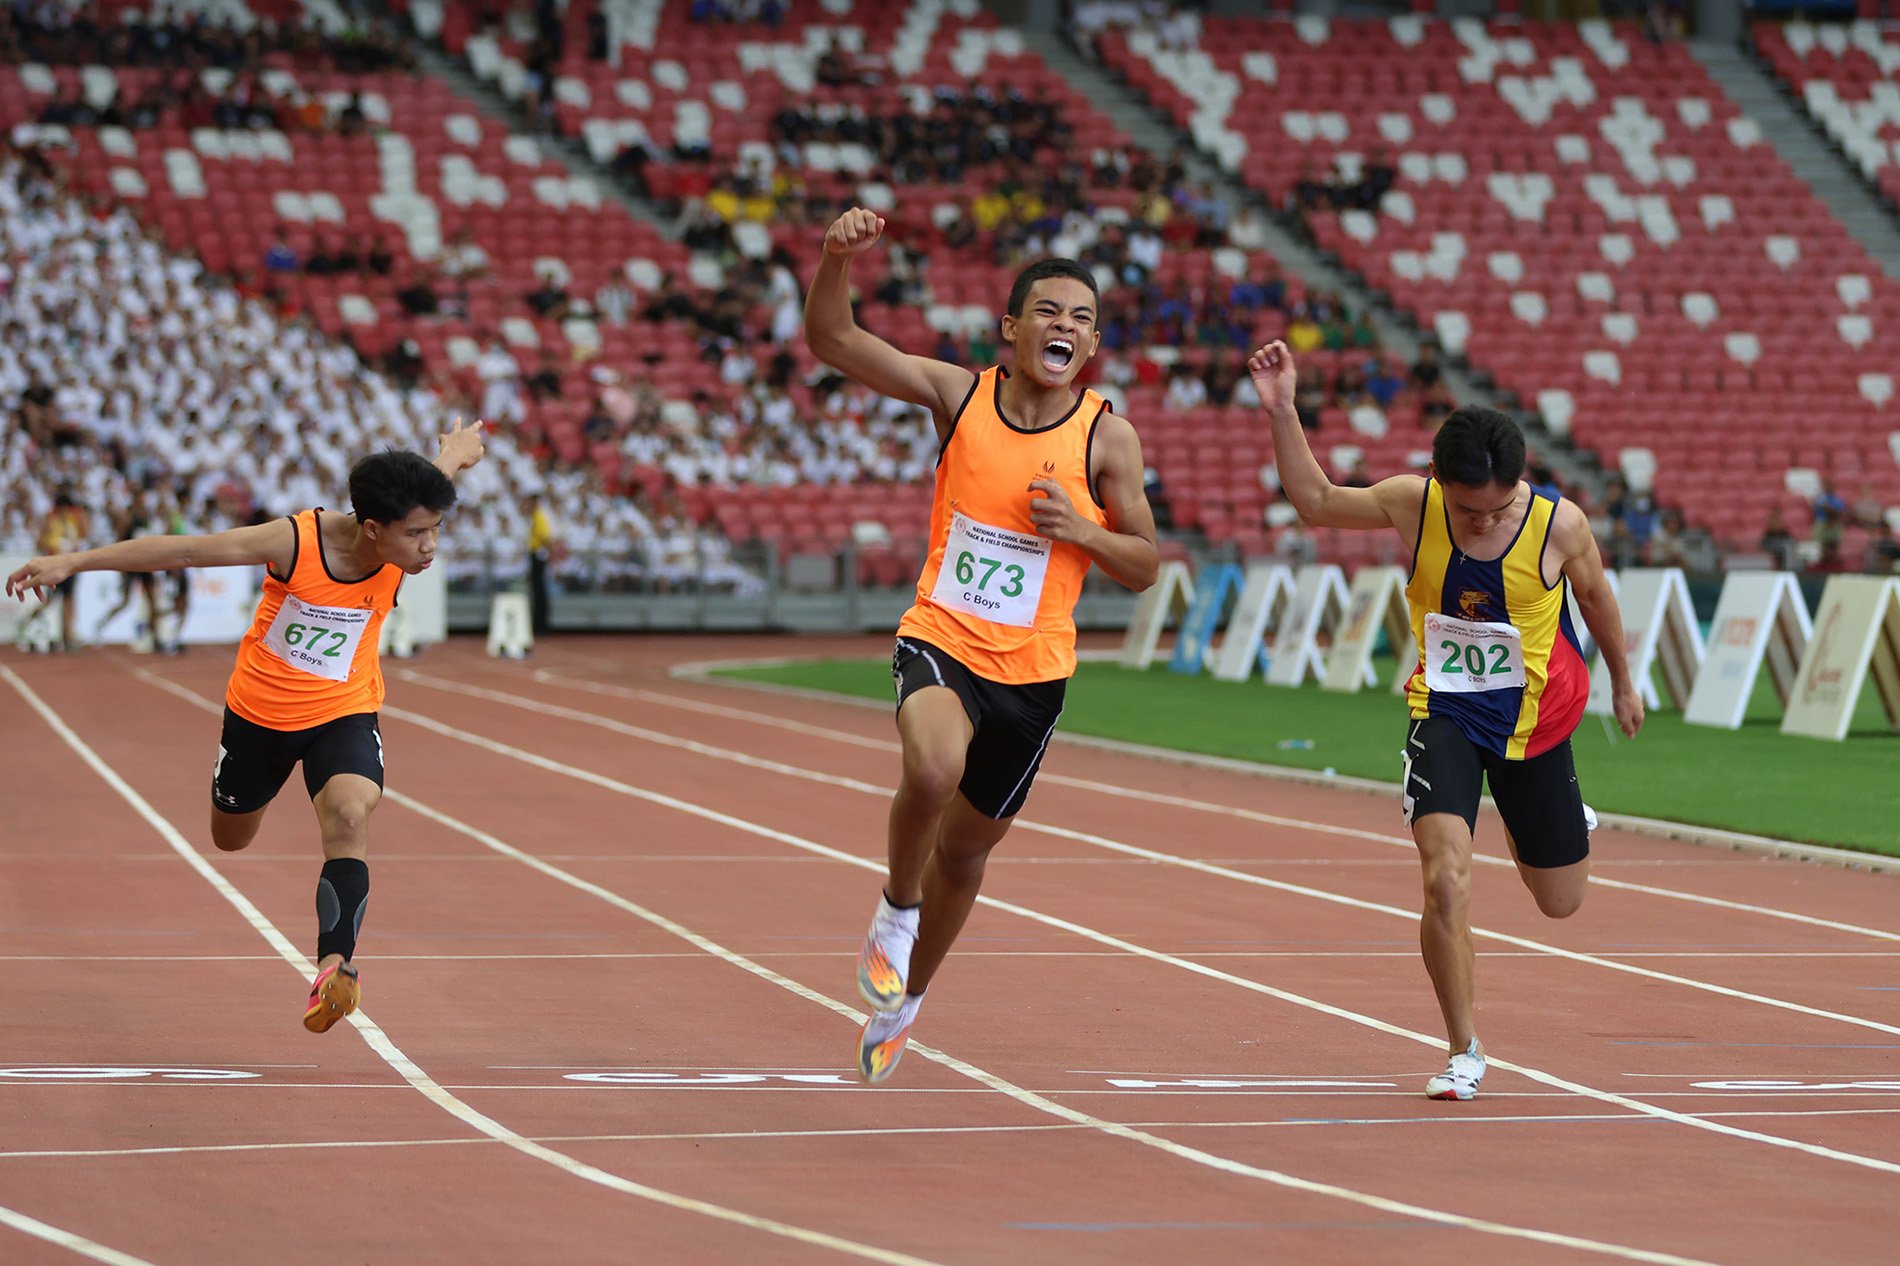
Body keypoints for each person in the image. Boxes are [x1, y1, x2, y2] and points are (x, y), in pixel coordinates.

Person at [805, 207, 1160, 1084]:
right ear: (1010, 327)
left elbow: (1146, 564)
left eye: (1082, 318)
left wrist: (1083, 526)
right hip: (942, 634)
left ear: (1094, 344)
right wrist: (833, 261)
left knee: (964, 853)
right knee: (929, 768)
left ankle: (906, 1003)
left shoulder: (1107, 437)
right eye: (1049, 311)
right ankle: (894, 908)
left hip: (1034, 675)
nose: (1065, 327)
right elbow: (835, 341)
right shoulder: (959, 395)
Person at [1247, 340, 1642, 1102]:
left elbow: (1596, 599)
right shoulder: (1413, 503)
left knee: (1561, 902)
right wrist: (1284, 412)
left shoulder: (1561, 527)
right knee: (1446, 880)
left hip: (1537, 721)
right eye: (1470, 510)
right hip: (1446, 712)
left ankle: (1560, 818)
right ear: (1441, 486)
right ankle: (1463, 1048)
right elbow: (1319, 501)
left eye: (1499, 507)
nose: (1486, 521)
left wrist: (1624, 685)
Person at [7, 420, 487, 1033]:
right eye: (418, 534)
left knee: (349, 814)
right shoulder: (296, 543)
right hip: (259, 715)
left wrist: (451, 454)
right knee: (229, 838)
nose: (429, 547)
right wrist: (72, 561)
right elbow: (186, 551)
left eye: (436, 530)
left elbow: (429, 486)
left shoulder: (403, 519)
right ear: (373, 529)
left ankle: (332, 970)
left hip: (344, 708)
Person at [22, 492, 91, 652]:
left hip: (71, 565)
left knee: (69, 601)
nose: (66, 510)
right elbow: (41, 542)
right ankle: (28, 624)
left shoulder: (74, 520)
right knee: (49, 600)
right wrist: (54, 545)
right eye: (63, 507)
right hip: (55, 565)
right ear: (58, 507)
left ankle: (66, 638)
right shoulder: (50, 521)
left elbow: (83, 536)